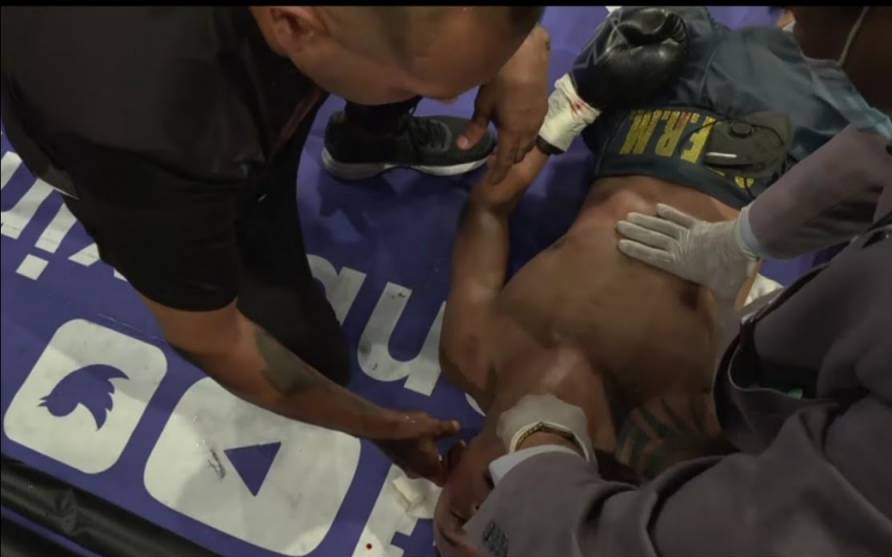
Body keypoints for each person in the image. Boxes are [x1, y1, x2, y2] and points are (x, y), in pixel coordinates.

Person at [443, 5, 892, 557]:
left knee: (664, 26)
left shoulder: (474, 354)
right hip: (768, 150)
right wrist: (737, 256)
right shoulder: (665, 443)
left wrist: (571, 108)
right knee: (831, 55)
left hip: (640, 125)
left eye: (464, 521)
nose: (485, 514)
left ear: (448, 468)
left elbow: (488, 210)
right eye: (498, 542)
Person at [0, 6, 550, 483]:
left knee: (423, 47)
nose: (457, 99)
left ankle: (371, 134)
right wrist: (380, 426)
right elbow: (213, 339)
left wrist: (515, 48)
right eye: (432, 90)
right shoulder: (154, 133)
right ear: (293, 26)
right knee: (308, 359)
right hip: (137, 121)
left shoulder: (309, 36)